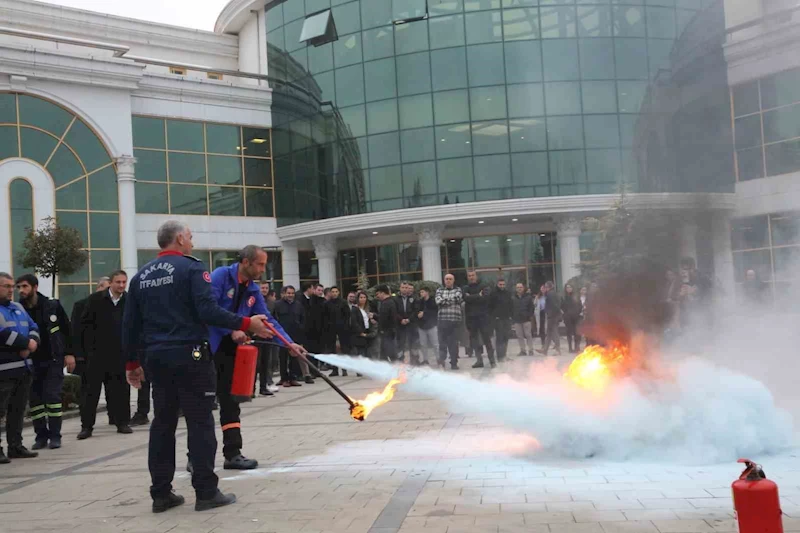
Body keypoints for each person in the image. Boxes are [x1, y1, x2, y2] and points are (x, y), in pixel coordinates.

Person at [122, 220, 281, 513]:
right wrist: (247, 323)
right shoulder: (193, 269)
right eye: (191, 237)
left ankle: (161, 494)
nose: (192, 242)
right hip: (190, 355)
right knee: (200, 421)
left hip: (156, 357)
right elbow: (207, 310)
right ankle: (206, 492)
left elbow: (130, 324)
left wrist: (132, 363)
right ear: (180, 238)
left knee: (163, 424)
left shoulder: (140, 276)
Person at [207, 246, 300, 471]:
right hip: (209, 347)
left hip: (232, 350)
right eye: (259, 264)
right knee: (204, 404)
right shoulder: (220, 276)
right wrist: (232, 329)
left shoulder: (252, 289)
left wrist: (288, 343)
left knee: (231, 402)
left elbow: (267, 320)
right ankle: (197, 457)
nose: (262, 269)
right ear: (246, 262)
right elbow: (208, 311)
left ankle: (233, 453)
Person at [16, 274, 74, 450]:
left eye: (24, 286)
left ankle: (55, 436)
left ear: (35, 287)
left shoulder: (52, 306)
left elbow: (66, 329)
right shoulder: (18, 309)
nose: (21, 290)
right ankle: (41, 436)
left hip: (52, 359)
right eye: (19, 287)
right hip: (31, 362)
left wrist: (70, 353)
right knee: (35, 401)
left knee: (52, 397)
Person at [77, 270, 134, 440]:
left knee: (121, 391)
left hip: (119, 355)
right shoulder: (95, 300)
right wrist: (82, 353)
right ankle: (86, 427)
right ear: (110, 282)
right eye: (118, 282)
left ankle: (122, 423)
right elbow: (83, 327)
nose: (121, 285)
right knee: (90, 393)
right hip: (96, 355)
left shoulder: (129, 301)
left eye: (124, 282)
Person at [0, 272, 40, 463]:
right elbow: (2, 334)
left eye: (12, 286)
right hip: (4, 370)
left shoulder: (18, 308)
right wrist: (26, 344)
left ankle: (15, 446)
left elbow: (34, 327)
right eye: (6, 286)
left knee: (18, 411)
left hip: (23, 369)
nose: (11, 290)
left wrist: (32, 341)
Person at [70, 277, 110, 381]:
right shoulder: (81, 305)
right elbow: (75, 331)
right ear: (100, 287)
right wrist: (78, 355)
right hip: (86, 357)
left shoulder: (112, 305)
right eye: (108, 288)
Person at [273, 285, 306, 387]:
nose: (290, 295)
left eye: (292, 293)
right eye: (289, 293)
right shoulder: (278, 305)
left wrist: (301, 328)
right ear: (284, 293)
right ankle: (284, 379)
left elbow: (303, 318)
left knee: (294, 358)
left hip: (295, 335)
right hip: (283, 336)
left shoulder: (298, 305)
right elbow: (274, 318)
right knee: (282, 357)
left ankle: (293, 378)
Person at [463, 271, 496, 369]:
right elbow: (465, 299)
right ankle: (479, 360)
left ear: (476, 276)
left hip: (483, 317)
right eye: (469, 276)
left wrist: (471, 297)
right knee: (474, 340)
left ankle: (492, 361)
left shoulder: (484, 285)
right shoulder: (465, 288)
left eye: (473, 275)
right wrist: (478, 295)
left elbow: (485, 298)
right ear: (468, 277)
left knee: (487, 340)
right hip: (471, 318)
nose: (471, 277)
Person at [435, 274, 463, 370]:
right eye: (446, 279)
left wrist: (444, 301)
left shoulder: (458, 290)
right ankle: (442, 362)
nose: (448, 280)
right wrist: (451, 300)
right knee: (442, 343)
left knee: (454, 344)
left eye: (450, 279)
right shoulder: (439, 290)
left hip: (454, 321)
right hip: (442, 321)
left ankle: (454, 363)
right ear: (444, 280)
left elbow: (458, 298)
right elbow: (438, 301)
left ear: (453, 280)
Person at [256, 283, 280, 397]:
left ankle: (263, 387)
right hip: (255, 335)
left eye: (266, 288)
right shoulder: (254, 301)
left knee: (266, 362)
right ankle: (251, 389)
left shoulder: (272, 303)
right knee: (255, 363)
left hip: (268, 335)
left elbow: (274, 319)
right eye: (262, 288)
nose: (264, 290)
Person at [324, 287, 352, 377]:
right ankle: (334, 369)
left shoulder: (343, 302)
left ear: (339, 292)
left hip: (342, 329)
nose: (334, 293)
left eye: (336, 292)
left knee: (344, 349)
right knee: (332, 350)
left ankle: (344, 369)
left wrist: (345, 326)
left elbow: (347, 315)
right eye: (333, 292)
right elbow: (325, 317)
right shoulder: (327, 304)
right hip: (331, 330)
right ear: (330, 293)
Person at [394, 282, 419, 365]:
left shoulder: (414, 298)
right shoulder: (395, 299)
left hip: (411, 325)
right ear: (400, 288)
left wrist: (409, 319)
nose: (404, 289)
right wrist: (401, 320)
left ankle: (414, 362)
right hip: (400, 325)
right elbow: (394, 311)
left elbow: (415, 311)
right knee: (400, 344)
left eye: (406, 287)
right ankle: (401, 361)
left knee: (413, 343)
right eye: (403, 287)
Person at [488, 278, 512, 362]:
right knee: (500, 338)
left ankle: (504, 355)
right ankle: (500, 356)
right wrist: (494, 317)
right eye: (500, 284)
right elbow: (489, 306)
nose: (502, 286)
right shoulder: (493, 293)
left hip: (507, 318)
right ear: (497, 284)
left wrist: (511, 315)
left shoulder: (508, 293)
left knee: (506, 337)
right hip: (498, 319)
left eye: (503, 284)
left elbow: (511, 304)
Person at [537, 282, 562, 356]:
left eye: (546, 287)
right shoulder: (554, 293)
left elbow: (554, 305)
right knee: (549, 334)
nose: (544, 288)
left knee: (554, 333)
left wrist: (550, 314)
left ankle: (557, 350)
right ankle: (545, 349)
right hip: (554, 316)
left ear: (548, 287)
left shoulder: (550, 294)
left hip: (552, 316)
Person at [414, 287, 438, 366]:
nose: (421, 293)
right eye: (420, 292)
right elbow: (416, 310)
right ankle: (425, 359)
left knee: (435, 344)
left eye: (422, 292)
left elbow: (434, 311)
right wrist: (418, 314)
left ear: (427, 292)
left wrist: (424, 313)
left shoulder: (432, 300)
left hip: (431, 325)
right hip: (422, 326)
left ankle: (439, 359)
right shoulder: (420, 302)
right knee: (423, 344)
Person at [375, 285, 398, 362]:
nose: (377, 296)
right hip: (391, 331)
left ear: (382, 293)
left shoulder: (386, 303)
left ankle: (397, 370)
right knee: (385, 354)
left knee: (389, 353)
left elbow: (383, 318)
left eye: (377, 294)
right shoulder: (391, 301)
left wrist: (374, 316)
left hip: (386, 332)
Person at [350, 291, 376, 361]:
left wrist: (372, 320)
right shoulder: (355, 309)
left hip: (368, 332)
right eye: (361, 297)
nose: (363, 299)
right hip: (359, 334)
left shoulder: (367, 309)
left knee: (369, 354)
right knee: (361, 354)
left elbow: (369, 320)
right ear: (358, 299)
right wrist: (360, 332)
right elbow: (354, 322)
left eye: (364, 297)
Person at [511, 282, 535, 356]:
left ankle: (531, 350)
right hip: (517, 320)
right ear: (516, 289)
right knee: (519, 336)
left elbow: (532, 308)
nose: (519, 289)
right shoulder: (513, 298)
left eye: (521, 287)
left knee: (528, 335)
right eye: (518, 287)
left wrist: (529, 315)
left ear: (523, 288)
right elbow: (511, 308)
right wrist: (513, 317)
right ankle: (523, 351)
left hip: (526, 319)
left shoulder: (528, 297)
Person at [561, 283, 582, 354]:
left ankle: (577, 346)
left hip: (576, 317)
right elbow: (562, 306)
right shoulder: (564, 297)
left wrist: (577, 312)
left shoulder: (576, 296)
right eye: (567, 287)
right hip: (568, 317)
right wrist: (565, 314)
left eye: (570, 287)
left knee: (577, 332)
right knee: (569, 333)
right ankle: (570, 347)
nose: (569, 289)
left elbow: (580, 305)